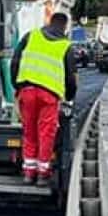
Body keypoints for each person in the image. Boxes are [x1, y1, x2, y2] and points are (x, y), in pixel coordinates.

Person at [11, 12, 78, 185]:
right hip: (49, 95)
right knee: (46, 133)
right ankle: (42, 173)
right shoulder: (65, 46)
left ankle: (28, 172)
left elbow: (15, 61)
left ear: (50, 22)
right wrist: (70, 97)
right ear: (65, 26)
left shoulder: (31, 36)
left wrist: (16, 86)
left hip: (27, 90)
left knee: (29, 131)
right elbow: (71, 77)